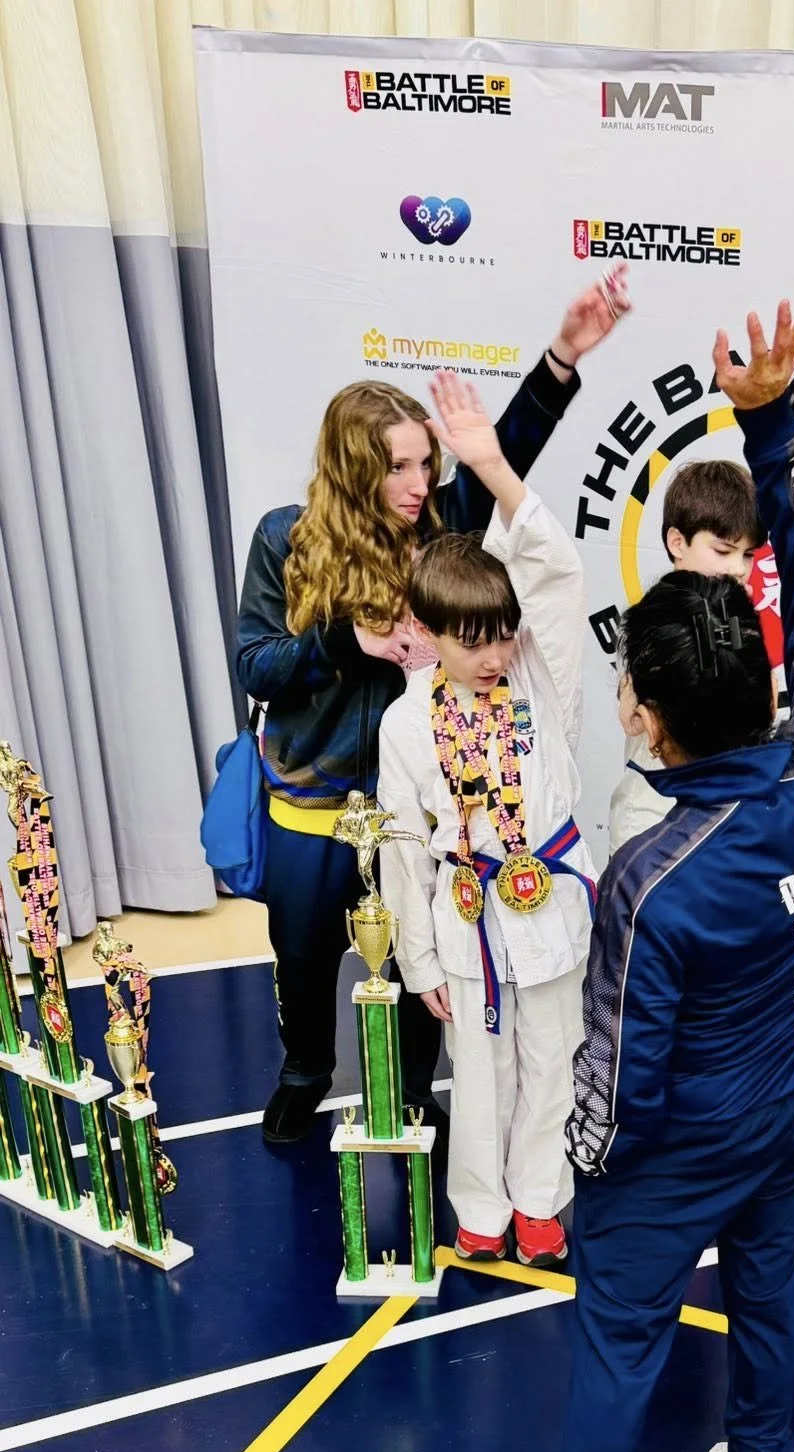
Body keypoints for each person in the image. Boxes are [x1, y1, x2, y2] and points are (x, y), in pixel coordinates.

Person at [485, 293, 794, 1452]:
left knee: (617, 1347)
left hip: (676, 1149)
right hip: (792, 1119)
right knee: (771, 1301)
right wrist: (775, 420)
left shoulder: (655, 877)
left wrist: (575, 1171)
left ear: (643, 715)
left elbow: (618, 1079)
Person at [236, 269, 628, 1144]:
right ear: (351, 467)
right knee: (301, 956)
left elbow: (507, 449)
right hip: (314, 801)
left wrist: (563, 355)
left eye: (425, 462)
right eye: (397, 467)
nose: (418, 482)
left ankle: (414, 1089)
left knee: (428, 945)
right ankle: (303, 1072)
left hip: (421, 804)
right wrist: (353, 642)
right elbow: (255, 664)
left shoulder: (442, 527)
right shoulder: (283, 540)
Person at [376, 373, 594, 1270]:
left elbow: (555, 569)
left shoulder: (544, 682)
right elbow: (398, 845)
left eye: (504, 633)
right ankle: (482, 1204)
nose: (494, 653)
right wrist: (418, 956)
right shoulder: (405, 720)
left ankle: (541, 1200)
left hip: (549, 907)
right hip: (467, 915)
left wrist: (495, 467)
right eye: (471, 639)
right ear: (427, 629)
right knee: (478, 1075)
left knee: (552, 1060)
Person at [608, 458, 785, 852]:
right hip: (657, 811)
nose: (738, 569)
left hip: (734, 812)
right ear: (677, 542)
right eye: (723, 550)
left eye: (747, 555)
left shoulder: (746, 617)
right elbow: (630, 720)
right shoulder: (655, 622)